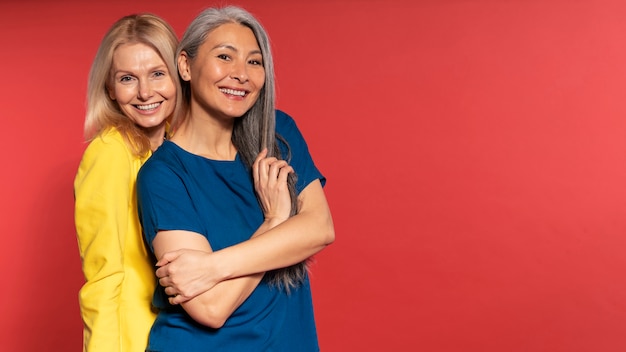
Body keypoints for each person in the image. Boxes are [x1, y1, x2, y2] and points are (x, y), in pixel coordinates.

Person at [136, 5, 335, 351]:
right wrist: (275, 221)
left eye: (254, 62)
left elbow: (319, 229)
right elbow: (210, 308)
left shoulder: (278, 136)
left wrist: (212, 267)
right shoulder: (162, 175)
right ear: (186, 65)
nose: (241, 74)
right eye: (225, 57)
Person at [73, 13, 180, 352]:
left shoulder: (178, 148)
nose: (145, 91)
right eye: (127, 78)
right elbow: (103, 276)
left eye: (158, 74)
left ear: (180, 76)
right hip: (138, 340)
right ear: (110, 88)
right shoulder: (110, 152)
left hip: (185, 334)